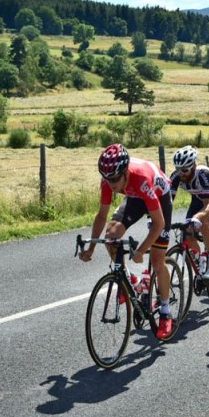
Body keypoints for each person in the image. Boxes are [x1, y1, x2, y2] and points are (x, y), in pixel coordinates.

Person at [80, 144, 176, 339]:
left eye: (115, 179)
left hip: (158, 195)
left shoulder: (141, 179)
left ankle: (166, 312)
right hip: (134, 197)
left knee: (157, 261)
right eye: (107, 179)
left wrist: (141, 250)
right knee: (111, 234)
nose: (111, 184)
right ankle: (129, 280)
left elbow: (159, 223)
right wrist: (90, 248)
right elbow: (102, 216)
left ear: (125, 172)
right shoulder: (108, 181)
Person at [169, 145, 209, 280]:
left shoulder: (203, 174)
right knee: (188, 232)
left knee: (204, 223)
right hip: (198, 199)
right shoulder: (176, 177)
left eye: (184, 170)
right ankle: (200, 260)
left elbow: (208, 204)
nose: (180, 173)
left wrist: (198, 217)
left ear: (193, 166)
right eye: (177, 169)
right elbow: (168, 202)